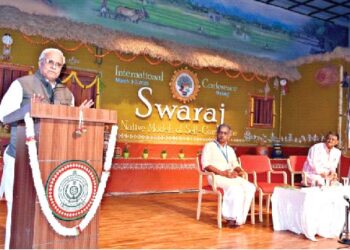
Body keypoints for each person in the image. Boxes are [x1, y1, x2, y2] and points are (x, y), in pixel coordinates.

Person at [0, 48, 93, 249]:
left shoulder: (67, 94)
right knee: (18, 211)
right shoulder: (21, 85)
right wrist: (28, 110)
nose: (53, 66)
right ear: (41, 62)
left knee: (44, 213)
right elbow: (4, 116)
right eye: (50, 62)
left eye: (58, 64)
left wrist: (79, 116)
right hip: (20, 159)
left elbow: (67, 127)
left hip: (50, 163)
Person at [201, 124, 256, 227]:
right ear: (217, 133)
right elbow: (206, 165)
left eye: (225, 133)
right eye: (220, 132)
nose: (222, 135)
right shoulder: (209, 146)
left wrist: (239, 171)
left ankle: (240, 218)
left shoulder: (230, 149)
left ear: (229, 135)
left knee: (250, 187)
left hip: (229, 176)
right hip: (215, 176)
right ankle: (230, 218)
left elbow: (235, 164)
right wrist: (223, 173)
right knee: (235, 188)